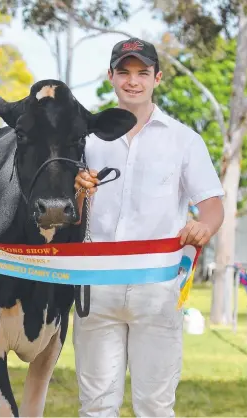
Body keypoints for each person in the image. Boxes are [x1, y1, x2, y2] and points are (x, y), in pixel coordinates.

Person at [73, 38, 225, 417]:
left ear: (157, 77)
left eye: (142, 72)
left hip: (157, 290)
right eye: (124, 72)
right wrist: (77, 192)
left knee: (156, 405)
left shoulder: (184, 140)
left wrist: (203, 228)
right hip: (97, 288)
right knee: (95, 405)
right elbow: (72, 215)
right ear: (110, 77)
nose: (133, 81)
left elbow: (212, 205)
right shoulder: (87, 141)